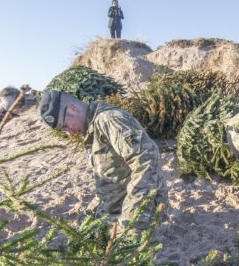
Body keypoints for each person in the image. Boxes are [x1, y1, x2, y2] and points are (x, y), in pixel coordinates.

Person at [37, 90, 166, 231]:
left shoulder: (110, 120)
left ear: (73, 108)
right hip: (115, 208)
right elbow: (111, 172)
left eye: (65, 126)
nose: (69, 133)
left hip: (139, 210)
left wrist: (132, 214)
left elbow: (146, 159)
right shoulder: (92, 127)